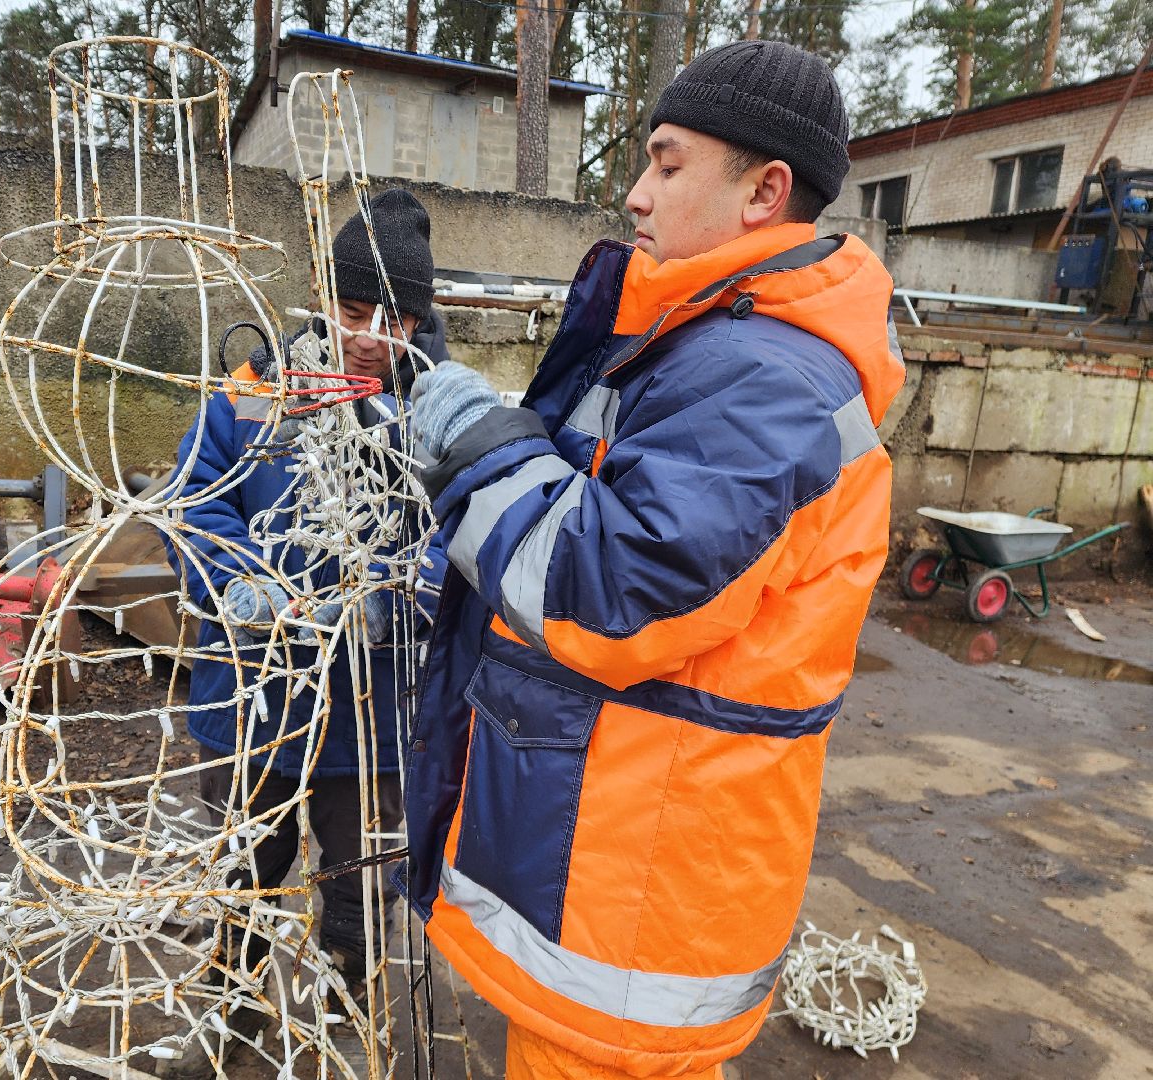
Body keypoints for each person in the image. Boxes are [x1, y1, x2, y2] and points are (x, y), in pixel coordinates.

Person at [399, 41, 906, 1080]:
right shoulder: (711, 343)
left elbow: (608, 591)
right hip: (614, 869)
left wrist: (479, 453)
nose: (634, 196)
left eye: (667, 165)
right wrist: (505, 445)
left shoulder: (761, 376)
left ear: (765, 191)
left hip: (631, 893)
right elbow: (600, 501)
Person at [164, 188, 449, 989]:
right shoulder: (259, 388)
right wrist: (240, 587)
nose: (367, 339)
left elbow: (464, 534)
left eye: (393, 320)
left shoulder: (438, 407)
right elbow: (192, 498)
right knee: (245, 867)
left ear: (418, 320)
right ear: (322, 297)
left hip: (374, 707)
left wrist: (402, 597)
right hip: (252, 697)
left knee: (360, 875)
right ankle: (232, 1001)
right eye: (352, 309)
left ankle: (345, 999)